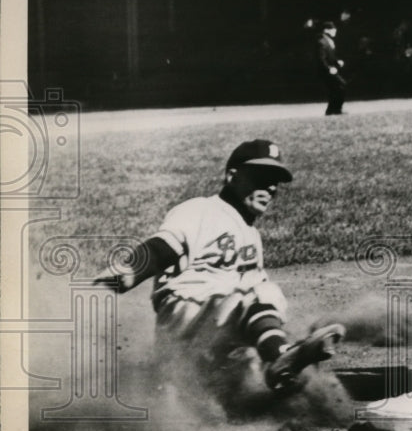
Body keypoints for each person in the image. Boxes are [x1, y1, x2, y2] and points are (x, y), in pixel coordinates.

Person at [94, 139, 345, 400]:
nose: (270, 187)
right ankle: (279, 358)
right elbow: (163, 247)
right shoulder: (201, 210)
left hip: (212, 337)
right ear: (231, 176)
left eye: (275, 181)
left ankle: (263, 373)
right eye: (262, 177)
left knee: (255, 348)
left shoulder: (251, 235)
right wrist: (129, 271)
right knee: (259, 293)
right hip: (185, 315)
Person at [317, 19, 347, 115]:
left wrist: (337, 61)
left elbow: (330, 56)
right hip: (327, 71)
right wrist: (329, 68)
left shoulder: (328, 41)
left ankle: (332, 109)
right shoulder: (321, 42)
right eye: (333, 29)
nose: (335, 31)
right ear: (326, 30)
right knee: (341, 86)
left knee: (335, 89)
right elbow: (321, 59)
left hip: (331, 70)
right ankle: (335, 109)